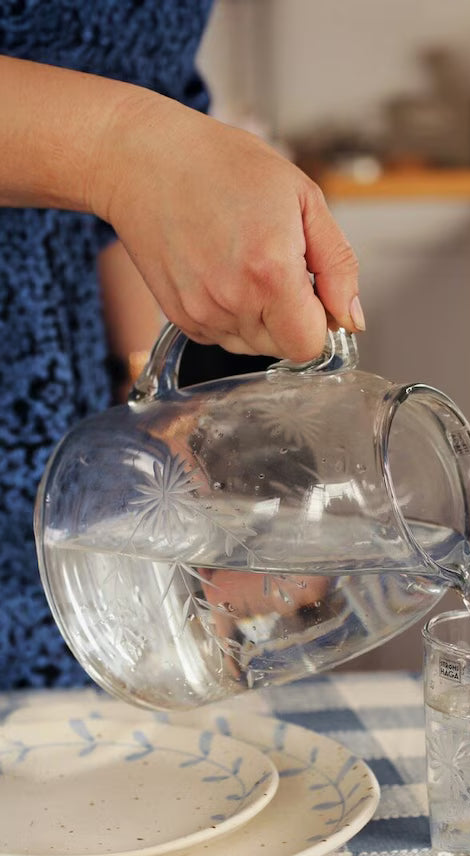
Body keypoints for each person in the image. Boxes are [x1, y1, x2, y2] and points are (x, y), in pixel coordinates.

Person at [0, 1, 364, 690]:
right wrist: (122, 146)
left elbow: (123, 203)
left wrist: (158, 416)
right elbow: (119, 157)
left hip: (59, 419)